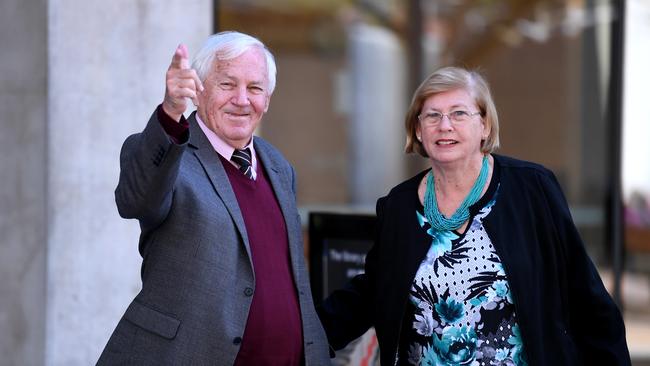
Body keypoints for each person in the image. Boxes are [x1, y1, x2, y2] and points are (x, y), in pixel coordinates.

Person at [317, 66, 631, 365]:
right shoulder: (398, 206)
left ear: (484, 125)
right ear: (417, 129)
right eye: (432, 116)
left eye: (458, 113)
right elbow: (373, 290)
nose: (445, 125)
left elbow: (586, 298)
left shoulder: (532, 189)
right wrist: (302, 335)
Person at [97, 31, 330, 365]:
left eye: (255, 88)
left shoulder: (278, 165)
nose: (242, 99)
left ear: (268, 99)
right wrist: (169, 114)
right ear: (198, 91)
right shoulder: (168, 153)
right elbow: (136, 200)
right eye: (226, 84)